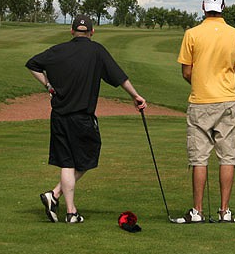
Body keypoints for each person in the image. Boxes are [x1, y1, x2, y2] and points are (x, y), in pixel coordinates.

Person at [25, 14, 147, 224]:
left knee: (67, 162)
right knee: (87, 157)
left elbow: (32, 64)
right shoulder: (96, 51)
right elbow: (119, 77)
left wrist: (48, 86)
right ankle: (64, 205)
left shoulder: (58, 50)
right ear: (92, 32)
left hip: (59, 116)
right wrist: (135, 96)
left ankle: (63, 203)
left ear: (72, 31)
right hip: (82, 117)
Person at [176, 0, 235, 223]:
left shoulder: (191, 34)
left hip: (200, 101)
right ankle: (225, 211)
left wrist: (200, 80)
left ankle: (197, 211)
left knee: (199, 158)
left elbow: (187, 71)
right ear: (223, 7)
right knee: (227, 157)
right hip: (228, 99)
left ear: (204, 6)